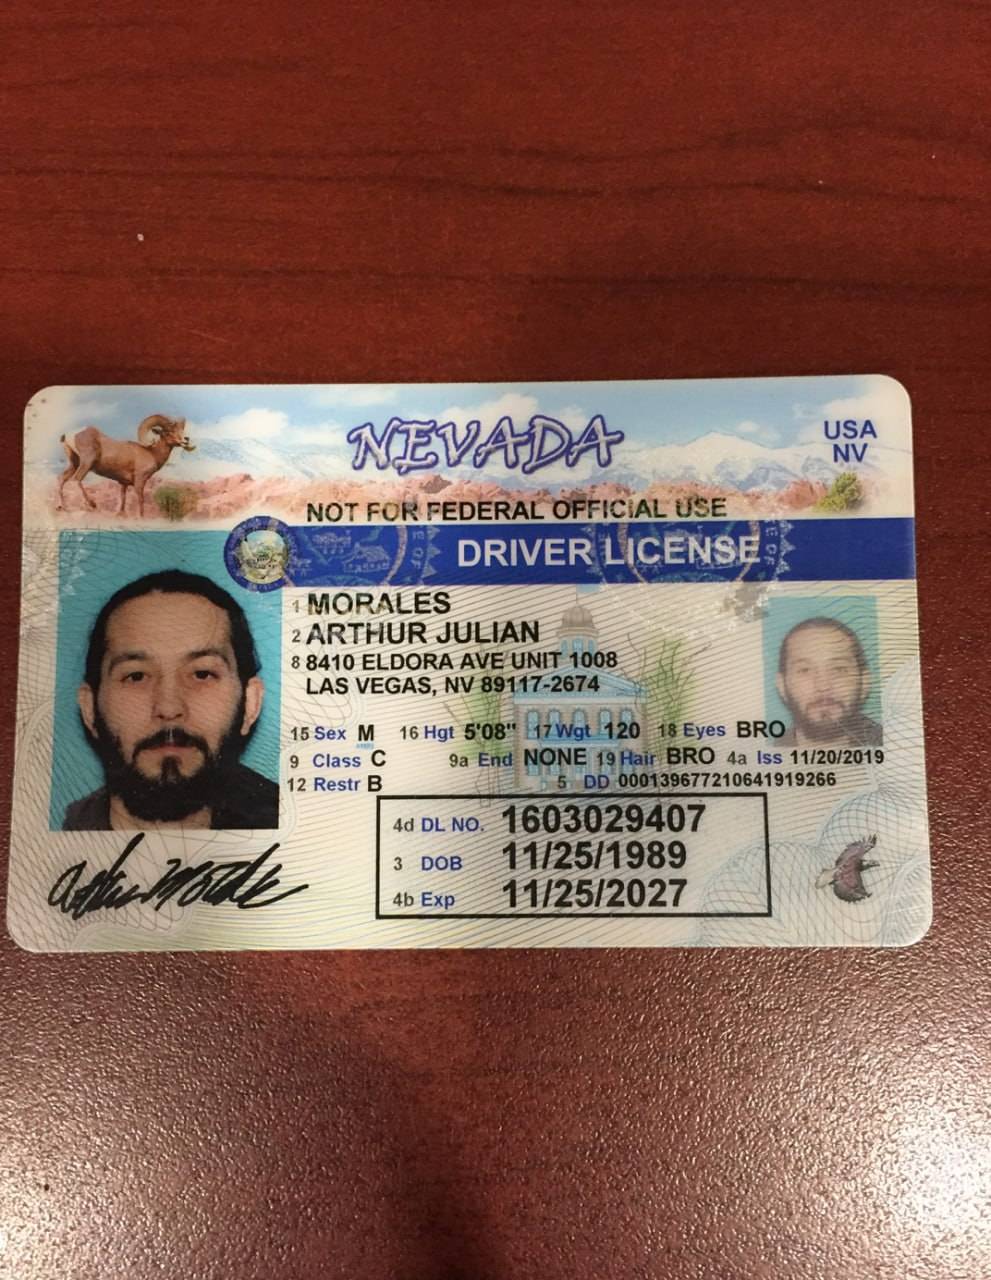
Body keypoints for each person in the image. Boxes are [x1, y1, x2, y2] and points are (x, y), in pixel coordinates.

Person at [64, 569, 279, 830]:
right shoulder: (43, 844)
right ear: (90, 709)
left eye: (202, 674)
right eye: (136, 676)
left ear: (250, 704)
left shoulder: (299, 826)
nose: (168, 708)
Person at [775, 616, 883, 748]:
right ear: (782, 686)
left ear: (864, 683)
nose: (823, 686)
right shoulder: (763, 752)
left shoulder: (898, 745)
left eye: (838, 669)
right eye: (805, 670)